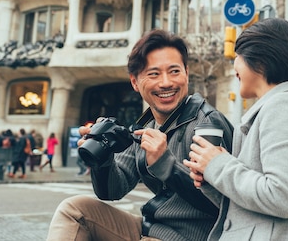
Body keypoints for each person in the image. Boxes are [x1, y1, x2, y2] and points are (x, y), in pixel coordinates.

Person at [47, 29, 234, 241]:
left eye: (174, 71)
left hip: (190, 237)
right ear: (135, 82)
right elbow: (112, 191)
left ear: (186, 73)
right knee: (75, 211)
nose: (166, 82)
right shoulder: (147, 126)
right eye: (154, 74)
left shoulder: (206, 124)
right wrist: (103, 155)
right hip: (151, 229)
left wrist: (166, 165)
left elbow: (223, 204)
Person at [184, 17, 288, 240]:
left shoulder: (284, 106)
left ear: (261, 61)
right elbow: (252, 207)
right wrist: (212, 176)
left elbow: (283, 197)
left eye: (237, 57)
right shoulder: (272, 109)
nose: (234, 68)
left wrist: (219, 166)